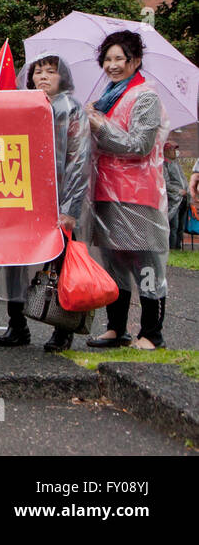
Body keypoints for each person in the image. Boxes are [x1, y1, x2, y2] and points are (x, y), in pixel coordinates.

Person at [84, 30, 170, 350]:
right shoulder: (108, 96)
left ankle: (151, 333)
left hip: (138, 195)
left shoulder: (145, 96)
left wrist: (100, 124)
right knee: (114, 263)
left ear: (135, 60)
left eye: (120, 58)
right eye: (107, 59)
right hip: (107, 192)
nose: (112, 65)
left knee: (146, 264)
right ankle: (115, 328)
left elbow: (139, 145)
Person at [0, 52, 90, 351]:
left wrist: (70, 209)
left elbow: (79, 160)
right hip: (22, 197)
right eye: (38, 71)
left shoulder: (72, 109)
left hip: (59, 201)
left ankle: (61, 328)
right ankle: (17, 324)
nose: (43, 77)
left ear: (62, 77)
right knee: (14, 262)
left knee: (61, 266)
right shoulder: (22, 106)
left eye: (50, 71)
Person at [164, 140, 187, 251]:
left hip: (183, 199)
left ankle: (179, 247)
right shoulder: (164, 165)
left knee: (180, 226)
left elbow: (183, 179)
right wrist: (178, 191)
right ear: (166, 151)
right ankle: (172, 248)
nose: (174, 152)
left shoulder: (176, 164)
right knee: (174, 225)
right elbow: (165, 183)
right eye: (172, 149)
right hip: (173, 200)